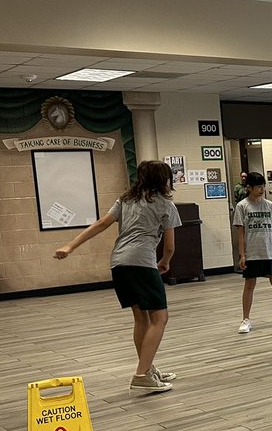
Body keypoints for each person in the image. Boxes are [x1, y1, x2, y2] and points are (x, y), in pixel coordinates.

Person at [53, 160, 181, 394]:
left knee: (141, 319)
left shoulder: (126, 200)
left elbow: (101, 223)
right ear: (164, 180)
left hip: (119, 263)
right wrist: (164, 262)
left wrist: (70, 246)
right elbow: (170, 246)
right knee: (160, 318)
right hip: (142, 263)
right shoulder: (166, 205)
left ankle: (148, 368)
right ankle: (142, 375)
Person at [233, 171, 272, 334]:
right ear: (249, 188)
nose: (262, 190)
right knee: (249, 284)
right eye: (258, 187)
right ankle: (246, 319)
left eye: (263, 186)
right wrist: (242, 255)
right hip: (252, 253)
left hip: (270, 251)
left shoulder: (269, 205)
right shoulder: (242, 206)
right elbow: (240, 232)